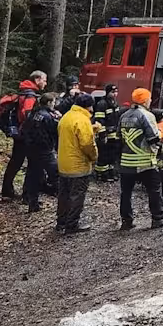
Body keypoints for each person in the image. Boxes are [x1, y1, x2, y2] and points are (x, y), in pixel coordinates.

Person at [117, 88, 163, 231]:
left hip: (126, 161)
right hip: (144, 162)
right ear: (145, 100)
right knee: (154, 190)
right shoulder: (147, 115)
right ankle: (158, 218)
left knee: (126, 193)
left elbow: (119, 137)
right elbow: (153, 138)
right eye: (149, 98)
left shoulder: (124, 115)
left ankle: (126, 221)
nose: (151, 101)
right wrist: (160, 132)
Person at [56, 93, 99, 234]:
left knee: (64, 195)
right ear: (89, 106)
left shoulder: (67, 116)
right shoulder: (83, 119)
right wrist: (94, 157)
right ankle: (72, 224)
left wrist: (92, 129)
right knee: (77, 196)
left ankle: (61, 222)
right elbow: (87, 144)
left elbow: (72, 135)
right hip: (78, 165)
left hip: (64, 163)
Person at [1, 70, 47, 199]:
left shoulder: (24, 91)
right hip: (25, 135)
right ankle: (27, 194)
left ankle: (7, 190)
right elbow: (26, 115)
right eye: (44, 80)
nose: (45, 83)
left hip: (20, 134)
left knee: (16, 162)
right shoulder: (30, 95)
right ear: (37, 80)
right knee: (32, 163)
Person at [22, 92, 60, 213]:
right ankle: (63, 198)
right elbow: (56, 130)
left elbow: (25, 129)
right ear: (49, 102)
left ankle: (32, 203)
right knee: (56, 174)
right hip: (45, 150)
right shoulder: (48, 116)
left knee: (33, 175)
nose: (54, 104)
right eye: (53, 102)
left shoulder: (33, 114)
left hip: (32, 150)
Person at [93, 84, 121, 182]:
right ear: (107, 92)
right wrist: (102, 135)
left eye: (116, 92)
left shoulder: (115, 103)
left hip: (113, 134)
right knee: (103, 155)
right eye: (113, 92)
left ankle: (110, 173)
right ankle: (101, 174)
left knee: (112, 155)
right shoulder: (102, 104)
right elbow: (99, 121)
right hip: (105, 135)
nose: (115, 94)